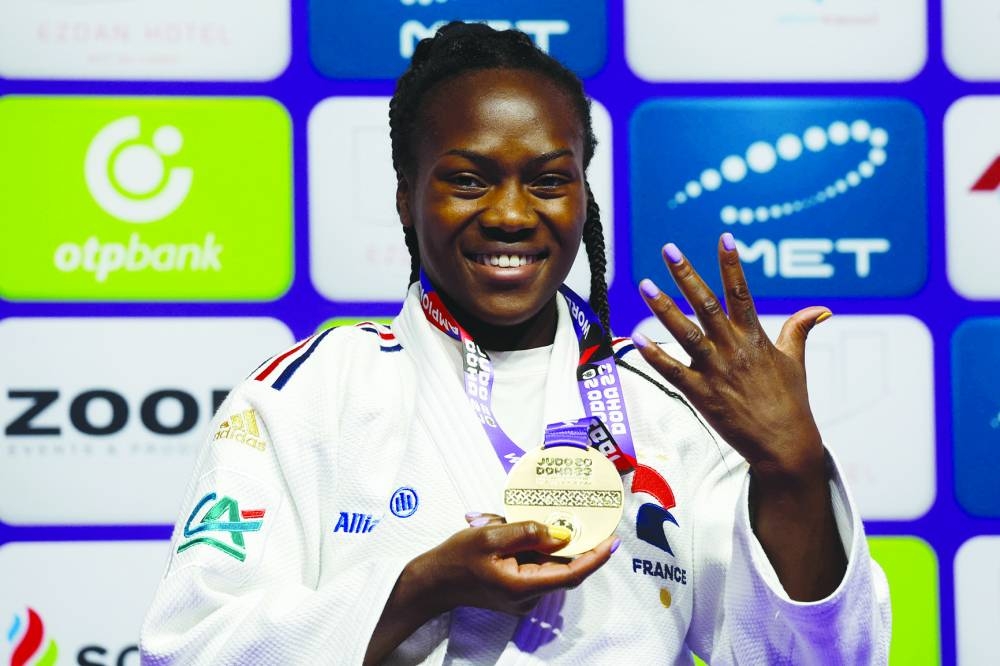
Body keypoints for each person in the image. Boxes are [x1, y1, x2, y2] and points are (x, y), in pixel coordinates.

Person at [141, 22, 890, 665]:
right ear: (407, 197)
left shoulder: (669, 402)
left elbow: (820, 656)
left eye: (548, 180)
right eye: (468, 180)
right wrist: (417, 593)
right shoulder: (311, 393)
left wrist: (790, 468)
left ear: (584, 197)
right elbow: (193, 645)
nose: (509, 214)